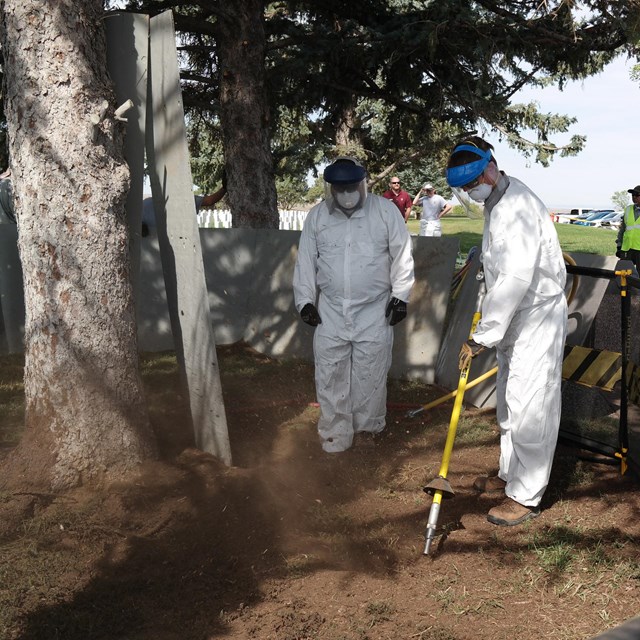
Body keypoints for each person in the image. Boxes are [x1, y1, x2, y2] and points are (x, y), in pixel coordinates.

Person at [446, 137, 567, 527]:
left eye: (474, 182)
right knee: (511, 402)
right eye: (465, 188)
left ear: (491, 166)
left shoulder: (515, 207)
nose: (471, 190)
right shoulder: (495, 203)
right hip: (514, 320)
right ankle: (508, 475)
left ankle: (526, 495)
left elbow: (515, 279)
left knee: (532, 404)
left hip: (535, 318)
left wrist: (482, 334)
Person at [293, 157, 415, 453]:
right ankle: (335, 435)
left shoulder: (385, 213)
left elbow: (402, 255)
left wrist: (400, 296)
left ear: (362, 184)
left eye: (351, 188)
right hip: (331, 311)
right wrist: (305, 301)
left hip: (374, 311)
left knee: (370, 373)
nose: (346, 194)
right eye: (340, 189)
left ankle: (366, 432)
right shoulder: (318, 217)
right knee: (330, 372)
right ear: (331, 189)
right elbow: (307, 260)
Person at [142, 181, 226, 236]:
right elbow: (209, 201)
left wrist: (224, 188)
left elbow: (209, 201)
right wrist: (224, 188)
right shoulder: (180, 200)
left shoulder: (146, 203)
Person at [615, 185, 640, 273]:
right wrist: (619, 246)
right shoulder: (628, 209)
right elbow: (622, 230)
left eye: (637, 195)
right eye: (632, 195)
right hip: (627, 249)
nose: (634, 197)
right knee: (623, 275)